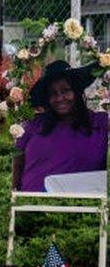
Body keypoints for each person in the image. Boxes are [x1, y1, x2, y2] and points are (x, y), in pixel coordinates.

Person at [13, 60, 107, 192]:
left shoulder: (99, 123)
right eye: (53, 93)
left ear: (77, 91)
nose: (59, 98)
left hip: (83, 208)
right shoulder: (34, 125)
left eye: (66, 91)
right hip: (31, 206)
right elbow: (16, 164)